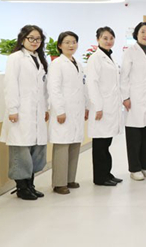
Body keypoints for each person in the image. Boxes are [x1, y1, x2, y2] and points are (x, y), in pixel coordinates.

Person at [0, 25, 49, 200]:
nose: (35, 42)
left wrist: (46, 108)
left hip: (36, 111)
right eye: (31, 38)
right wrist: (13, 109)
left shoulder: (39, 59)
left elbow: (43, 88)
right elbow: (10, 84)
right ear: (23, 39)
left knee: (35, 150)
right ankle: (21, 187)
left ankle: (30, 185)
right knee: (20, 151)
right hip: (21, 111)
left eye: (38, 39)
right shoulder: (15, 58)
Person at [47, 31, 88, 194]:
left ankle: (70, 179)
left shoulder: (78, 63)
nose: (71, 45)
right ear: (60, 45)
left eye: (74, 42)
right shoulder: (57, 64)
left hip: (76, 111)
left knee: (74, 144)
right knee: (62, 146)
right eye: (67, 42)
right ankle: (59, 183)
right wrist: (60, 110)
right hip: (63, 111)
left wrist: (86, 107)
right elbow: (54, 88)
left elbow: (82, 87)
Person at [121, 22, 146, 181]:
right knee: (134, 137)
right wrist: (125, 97)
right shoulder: (130, 52)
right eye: (142, 32)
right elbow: (124, 76)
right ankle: (135, 168)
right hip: (135, 100)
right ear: (136, 34)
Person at [86, 26, 123, 186]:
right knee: (100, 145)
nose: (108, 41)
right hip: (101, 108)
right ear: (98, 39)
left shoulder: (109, 57)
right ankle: (100, 178)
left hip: (110, 106)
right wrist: (98, 107)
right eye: (105, 38)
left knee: (106, 143)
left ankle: (107, 173)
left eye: (111, 38)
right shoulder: (95, 58)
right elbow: (92, 83)